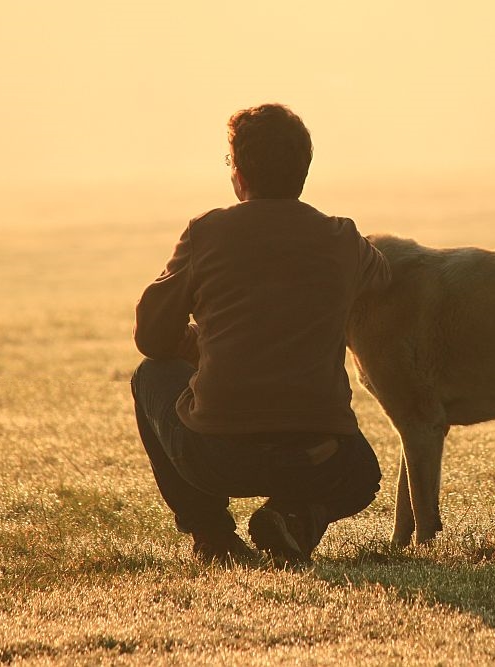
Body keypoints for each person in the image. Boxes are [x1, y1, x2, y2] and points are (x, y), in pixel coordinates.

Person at [131, 104, 390, 566]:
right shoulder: (342, 238)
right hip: (320, 457)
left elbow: (152, 337)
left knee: (150, 376)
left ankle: (212, 537)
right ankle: (294, 516)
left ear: (239, 175)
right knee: (363, 472)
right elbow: (381, 276)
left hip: (218, 457)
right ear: (304, 171)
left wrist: (199, 344)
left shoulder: (207, 233)